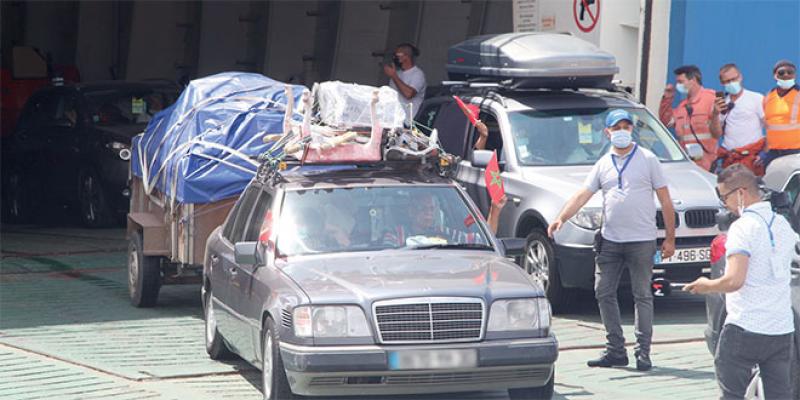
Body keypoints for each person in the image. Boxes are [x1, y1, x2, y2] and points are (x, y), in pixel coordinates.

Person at [548, 109, 676, 372]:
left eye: (627, 126)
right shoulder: (603, 163)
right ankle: (616, 349)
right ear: (607, 132)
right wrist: (561, 217)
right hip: (610, 240)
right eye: (617, 127)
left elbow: (665, 201)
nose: (622, 131)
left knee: (642, 295)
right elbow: (583, 194)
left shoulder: (648, 159)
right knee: (603, 291)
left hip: (642, 240)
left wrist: (670, 238)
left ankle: (643, 352)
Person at [684, 164, 796, 399]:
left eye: (724, 197)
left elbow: (734, 280)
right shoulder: (783, 225)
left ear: (741, 193)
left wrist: (706, 285)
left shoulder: (742, 228)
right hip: (780, 328)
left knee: (732, 395)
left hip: (745, 327)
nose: (725, 204)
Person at [383, 191, 505, 247]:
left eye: (432, 209)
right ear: (411, 211)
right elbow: (386, 259)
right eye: (423, 209)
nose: (429, 214)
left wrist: (495, 210)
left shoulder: (444, 232)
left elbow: (483, 239)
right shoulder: (395, 235)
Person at [659, 65, 723, 171]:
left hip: (707, 163)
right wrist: (667, 99)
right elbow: (666, 123)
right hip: (686, 163)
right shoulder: (683, 105)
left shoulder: (710, 98)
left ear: (692, 80)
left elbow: (718, 129)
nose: (678, 85)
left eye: (681, 81)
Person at [713, 64, 765, 174]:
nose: (731, 83)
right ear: (722, 83)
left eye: (734, 79)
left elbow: (770, 127)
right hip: (729, 159)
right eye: (727, 81)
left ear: (740, 77)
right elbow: (716, 134)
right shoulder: (722, 103)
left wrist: (764, 154)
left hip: (751, 158)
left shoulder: (756, 98)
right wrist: (715, 114)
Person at [761, 60, 800, 168]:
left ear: (794, 74)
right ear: (775, 76)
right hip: (773, 153)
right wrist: (764, 152)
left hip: (796, 152)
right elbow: (768, 126)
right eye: (782, 72)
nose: (786, 75)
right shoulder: (768, 96)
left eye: (790, 72)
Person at [383, 43, 426, 120]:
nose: (394, 58)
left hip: (407, 121)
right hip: (393, 119)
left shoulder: (417, 74)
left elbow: (409, 94)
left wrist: (393, 76)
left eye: (397, 55)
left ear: (406, 56)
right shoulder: (397, 73)